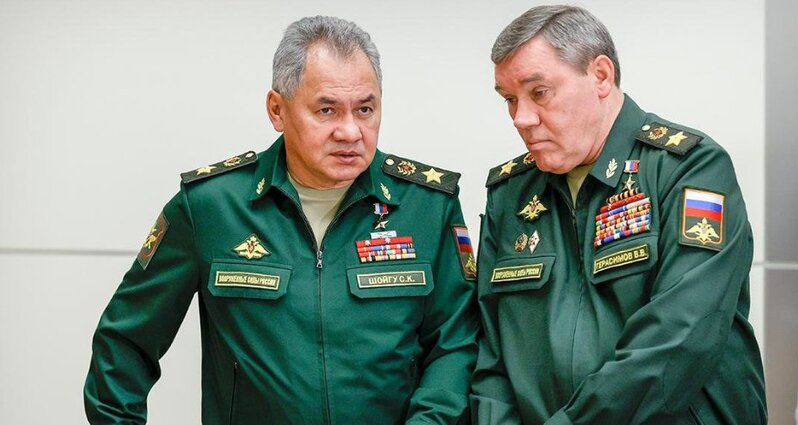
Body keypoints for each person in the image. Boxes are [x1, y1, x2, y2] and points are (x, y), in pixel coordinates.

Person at [84, 15, 479, 424]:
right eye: (326, 110)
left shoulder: (428, 206)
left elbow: (455, 345)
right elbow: (125, 341)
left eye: (365, 109)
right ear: (277, 110)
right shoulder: (211, 207)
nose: (350, 131)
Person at [470, 5, 767, 424]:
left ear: (601, 76)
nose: (522, 118)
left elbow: (680, 337)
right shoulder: (510, 194)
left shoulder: (689, 169)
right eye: (510, 99)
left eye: (539, 93)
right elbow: (492, 355)